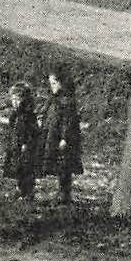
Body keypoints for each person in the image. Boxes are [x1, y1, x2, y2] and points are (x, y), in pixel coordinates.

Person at [41, 68, 82, 205]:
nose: (51, 87)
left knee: (65, 166)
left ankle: (65, 194)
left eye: (53, 83)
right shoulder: (54, 99)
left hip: (63, 140)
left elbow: (68, 122)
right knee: (59, 165)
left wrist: (65, 138)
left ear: (61, 83)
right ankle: (61, 193)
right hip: (54, 137)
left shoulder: (67, 101)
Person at [1, 82, 41, 203]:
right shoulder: (15, 115)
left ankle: (28, 192)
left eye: (18, 99)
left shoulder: (28, 115)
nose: (15, 102)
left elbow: (32, 132)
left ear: (25, 100)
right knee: (17, 168)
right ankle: (19, 189)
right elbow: (12, 129)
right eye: (13, 99)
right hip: (16, 145)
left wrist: (26, 143)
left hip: (25, 147)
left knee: (27, 169)